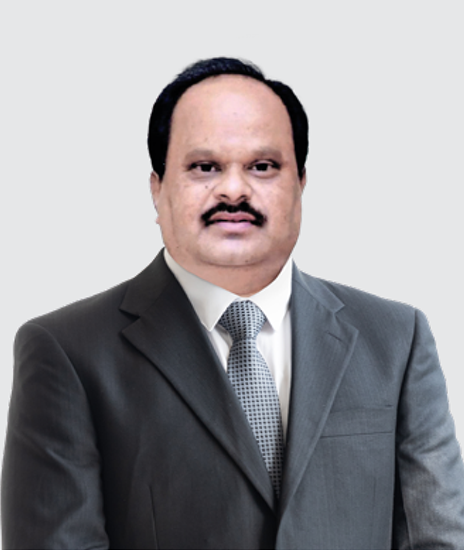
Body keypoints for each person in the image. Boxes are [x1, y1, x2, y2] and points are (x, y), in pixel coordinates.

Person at [2, 57, 464, 550]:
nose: (234, 190)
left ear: (300, 185)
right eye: (205, 167)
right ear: (157, 189)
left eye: (262, 167)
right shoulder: (68, 351)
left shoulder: (395, 338)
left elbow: (436, 538)